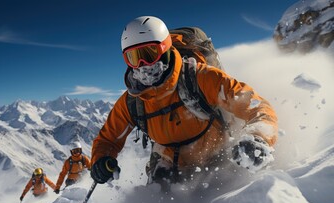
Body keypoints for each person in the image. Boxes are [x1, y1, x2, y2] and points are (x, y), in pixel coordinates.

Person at [90, 16, 278, 189]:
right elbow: (108, 139)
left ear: (164, 48)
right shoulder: (132, 102)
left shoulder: (201, 78)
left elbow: (256, 106)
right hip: (167, 163)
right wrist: (101, 159)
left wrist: (257, 136)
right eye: (132, 57)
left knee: (231, 196)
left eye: (149, 54)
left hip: (217, 152)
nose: (142, 64)